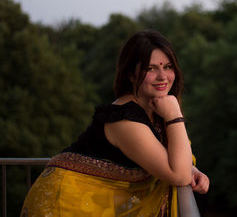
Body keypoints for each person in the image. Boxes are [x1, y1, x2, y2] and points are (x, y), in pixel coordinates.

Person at [21, 30, 209, 217]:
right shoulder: (125, 120)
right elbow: (179, 176)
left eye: (168, 66)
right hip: (64, 205)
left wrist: (190, 168)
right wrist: (175, 115)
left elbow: (168, 160)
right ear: (131, 74)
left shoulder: (153, 109)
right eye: (151, 69)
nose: (163, 76)